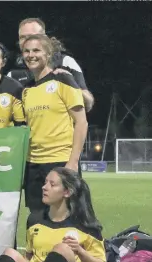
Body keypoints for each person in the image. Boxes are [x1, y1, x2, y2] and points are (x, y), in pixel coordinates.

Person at [0, 167, 106, 262]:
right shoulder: (35, 220)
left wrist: (79, 251)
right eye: (45, 182)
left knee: (63, 249)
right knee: (10, 253)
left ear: (67, 192)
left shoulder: (85, 225)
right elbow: (28, 256)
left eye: (52, 184)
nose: (44, 187)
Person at [19, 34, 88, 214]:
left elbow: (81, 122)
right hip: (33, 164)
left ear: (48, 54)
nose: (31, 55)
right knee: (37, 218)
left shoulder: (63, 80)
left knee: (68, 219)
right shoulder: (26, 89)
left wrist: (72, 162)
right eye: (26, 51)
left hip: (60, 162)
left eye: (36, 50)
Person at [8, 18, 94, 112]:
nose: (27, 41)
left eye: (32, 36)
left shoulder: (65, 62)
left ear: (44, 38)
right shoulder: (13, 73)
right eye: (22, 37)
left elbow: (88, 104)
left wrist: (69, 83)